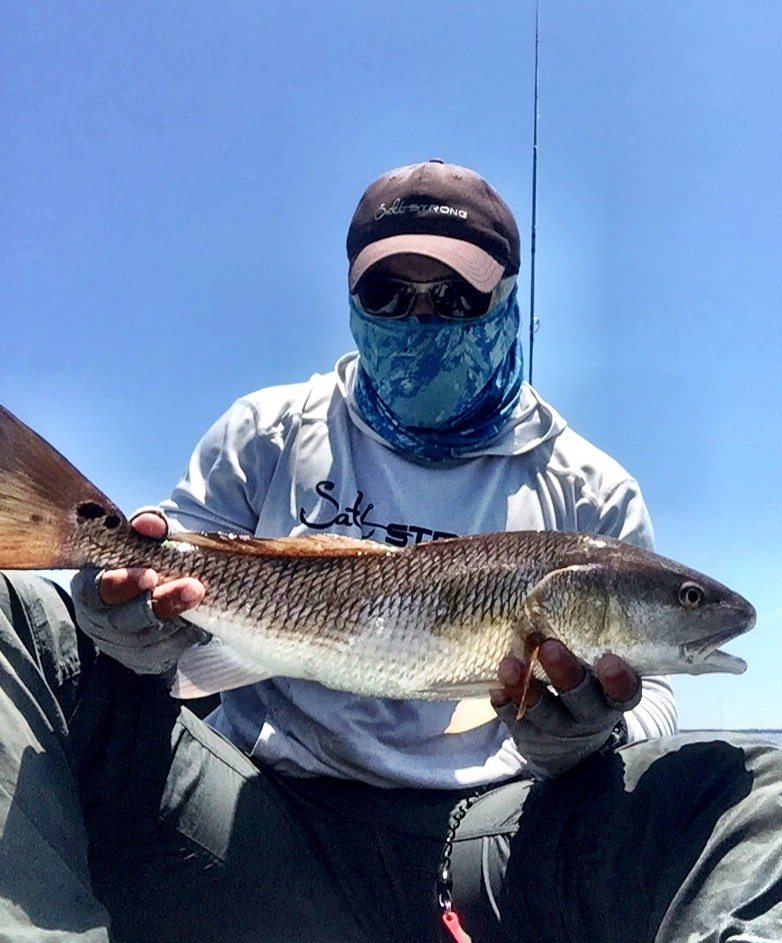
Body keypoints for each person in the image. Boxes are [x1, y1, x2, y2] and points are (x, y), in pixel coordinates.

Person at [0, 160, 779, 943]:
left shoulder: (592, 489)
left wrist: (588, 734)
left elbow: (655, 697)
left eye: (456, 296)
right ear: (351, 300)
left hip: (493, 843)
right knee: (20, 613)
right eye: (387, 294)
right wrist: (129, 624)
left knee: (762, 786)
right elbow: (160, 585)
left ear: (507, 302)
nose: (420, 317)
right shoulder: (269, 432)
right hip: (262, 817)